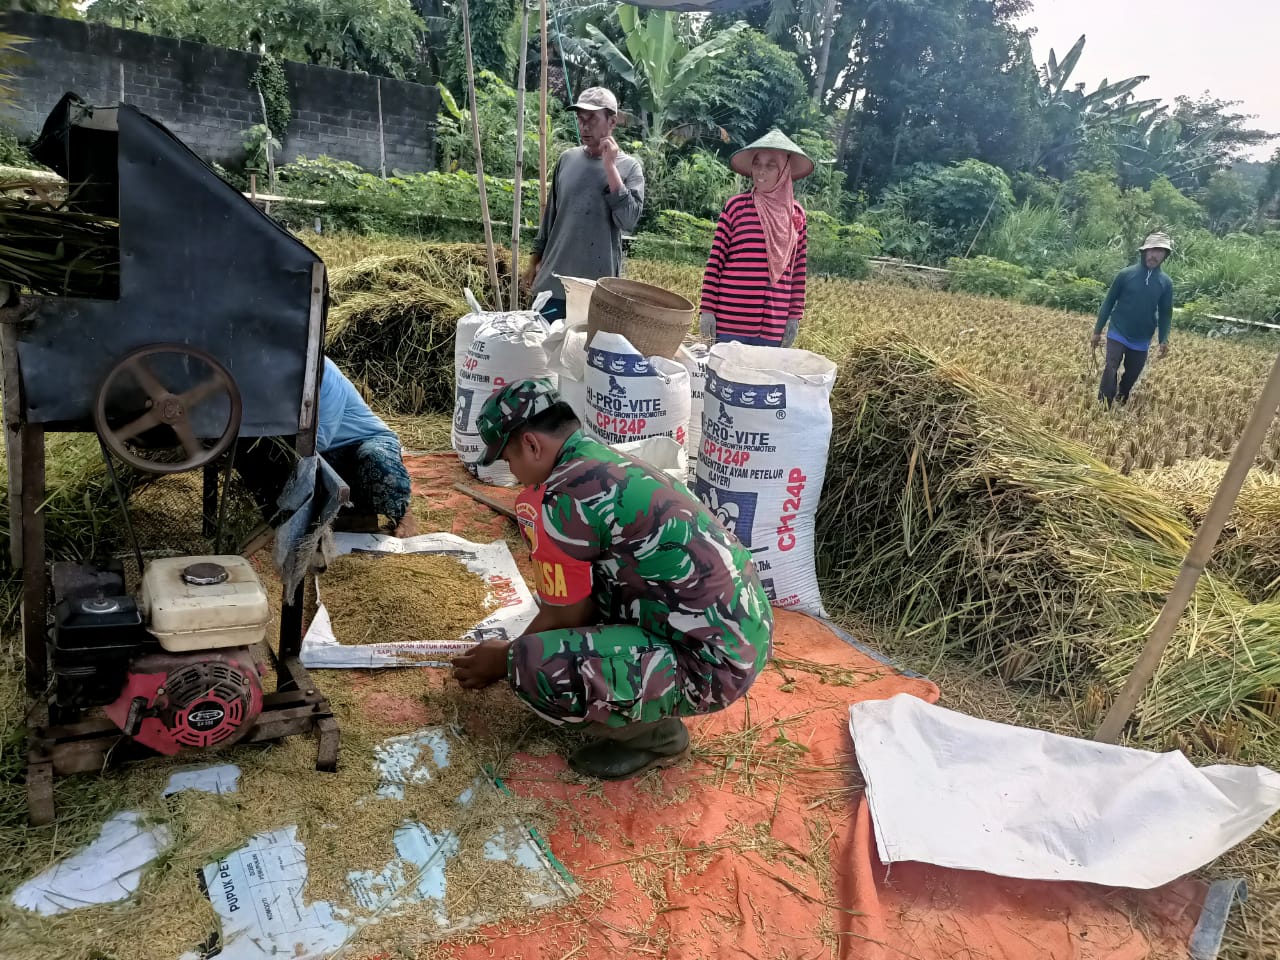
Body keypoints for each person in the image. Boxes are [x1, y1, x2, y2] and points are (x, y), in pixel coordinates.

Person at [451, 379, 773, 780]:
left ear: (532, 445)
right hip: (739, 637)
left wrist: (502, 659)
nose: (514, 474)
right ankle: (644, 691)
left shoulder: (563, 497)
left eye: (508, 460)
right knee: (570, 606)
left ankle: (653, 736)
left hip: (711, 666)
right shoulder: (601, 460)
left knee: (535, 661)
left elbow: (565, 615)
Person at [237, 358, 418, 538]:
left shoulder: (326, 376)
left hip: (361, 441)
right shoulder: (265, 372)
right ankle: (351, 516)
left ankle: (402, 512)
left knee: (375, 459)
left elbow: (318, 440)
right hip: (322, 453)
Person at [522, 87, 645, 322]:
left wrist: (610, 167)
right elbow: (549, 220)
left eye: (592, 118)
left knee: (584, 356)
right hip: (552, 285)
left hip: (596, 290)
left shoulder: (629, 168)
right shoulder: (567, 159)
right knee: (543, 353)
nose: (584, 126)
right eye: (580, 119)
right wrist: (533, 265)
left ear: (612, 121)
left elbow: (628, 220)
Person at [699, 129, 812, 347]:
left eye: (771, 165)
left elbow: (798, 272)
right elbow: (715, 263)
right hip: (730, 321)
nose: (761, 171)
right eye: (757, 164)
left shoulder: (796, 215)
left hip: (772, 323)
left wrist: (794, 316)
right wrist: (707, 310)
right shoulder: (736, 207)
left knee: (762, 379)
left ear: (784, 170)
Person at [1091, 232, 1175, 407]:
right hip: (1118, 330)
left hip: (1142, 336)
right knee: (1111, 366)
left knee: (1133, 372)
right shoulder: (1125, 275)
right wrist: (1097, 331)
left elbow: (1166, 313)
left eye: (1160, 251)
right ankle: (1104, 404)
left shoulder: (1165, 283)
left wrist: (1163, 339)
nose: (1155, 255)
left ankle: (1122, 396)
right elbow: (1108, 302)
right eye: (1152, 250)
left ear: (1165, 256)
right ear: (1144, 251)